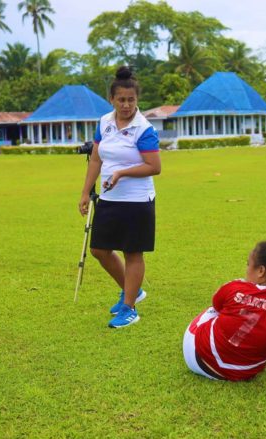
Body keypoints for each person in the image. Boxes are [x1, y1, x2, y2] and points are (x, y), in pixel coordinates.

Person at [183, 241, 266, 417]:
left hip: (197, 357)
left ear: (261, 271)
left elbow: (216, 304)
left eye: (248, 264)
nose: (246, 268)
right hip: (244, 371)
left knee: (214, 311)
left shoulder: (234, 286)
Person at [79, 66, 161, 329]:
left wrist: (122, 173)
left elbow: (154, 167)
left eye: (131, 100)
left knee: (132, 252)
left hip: (137, 201)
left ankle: (129, 309)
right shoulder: (104, 122)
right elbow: (96, 158)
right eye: (121, 100)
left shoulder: (144, 129)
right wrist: (84, 192)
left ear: (137, 100)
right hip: (109, 198)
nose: (126, 105)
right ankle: (132, 290)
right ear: (112, 99)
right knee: (99, 250)